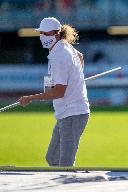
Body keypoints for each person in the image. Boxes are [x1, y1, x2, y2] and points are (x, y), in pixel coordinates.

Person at [18, 17, 90, 167]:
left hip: (73, 114)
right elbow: (81, 57)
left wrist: (30, 98)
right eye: (41, 33)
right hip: (66, 114)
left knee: (65, 164)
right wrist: (75, 77)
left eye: (46, 33)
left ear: (57, 34)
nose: (43, 36)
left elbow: (58, 92)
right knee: (52, 158)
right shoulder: (62, 47)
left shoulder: (59, 55)